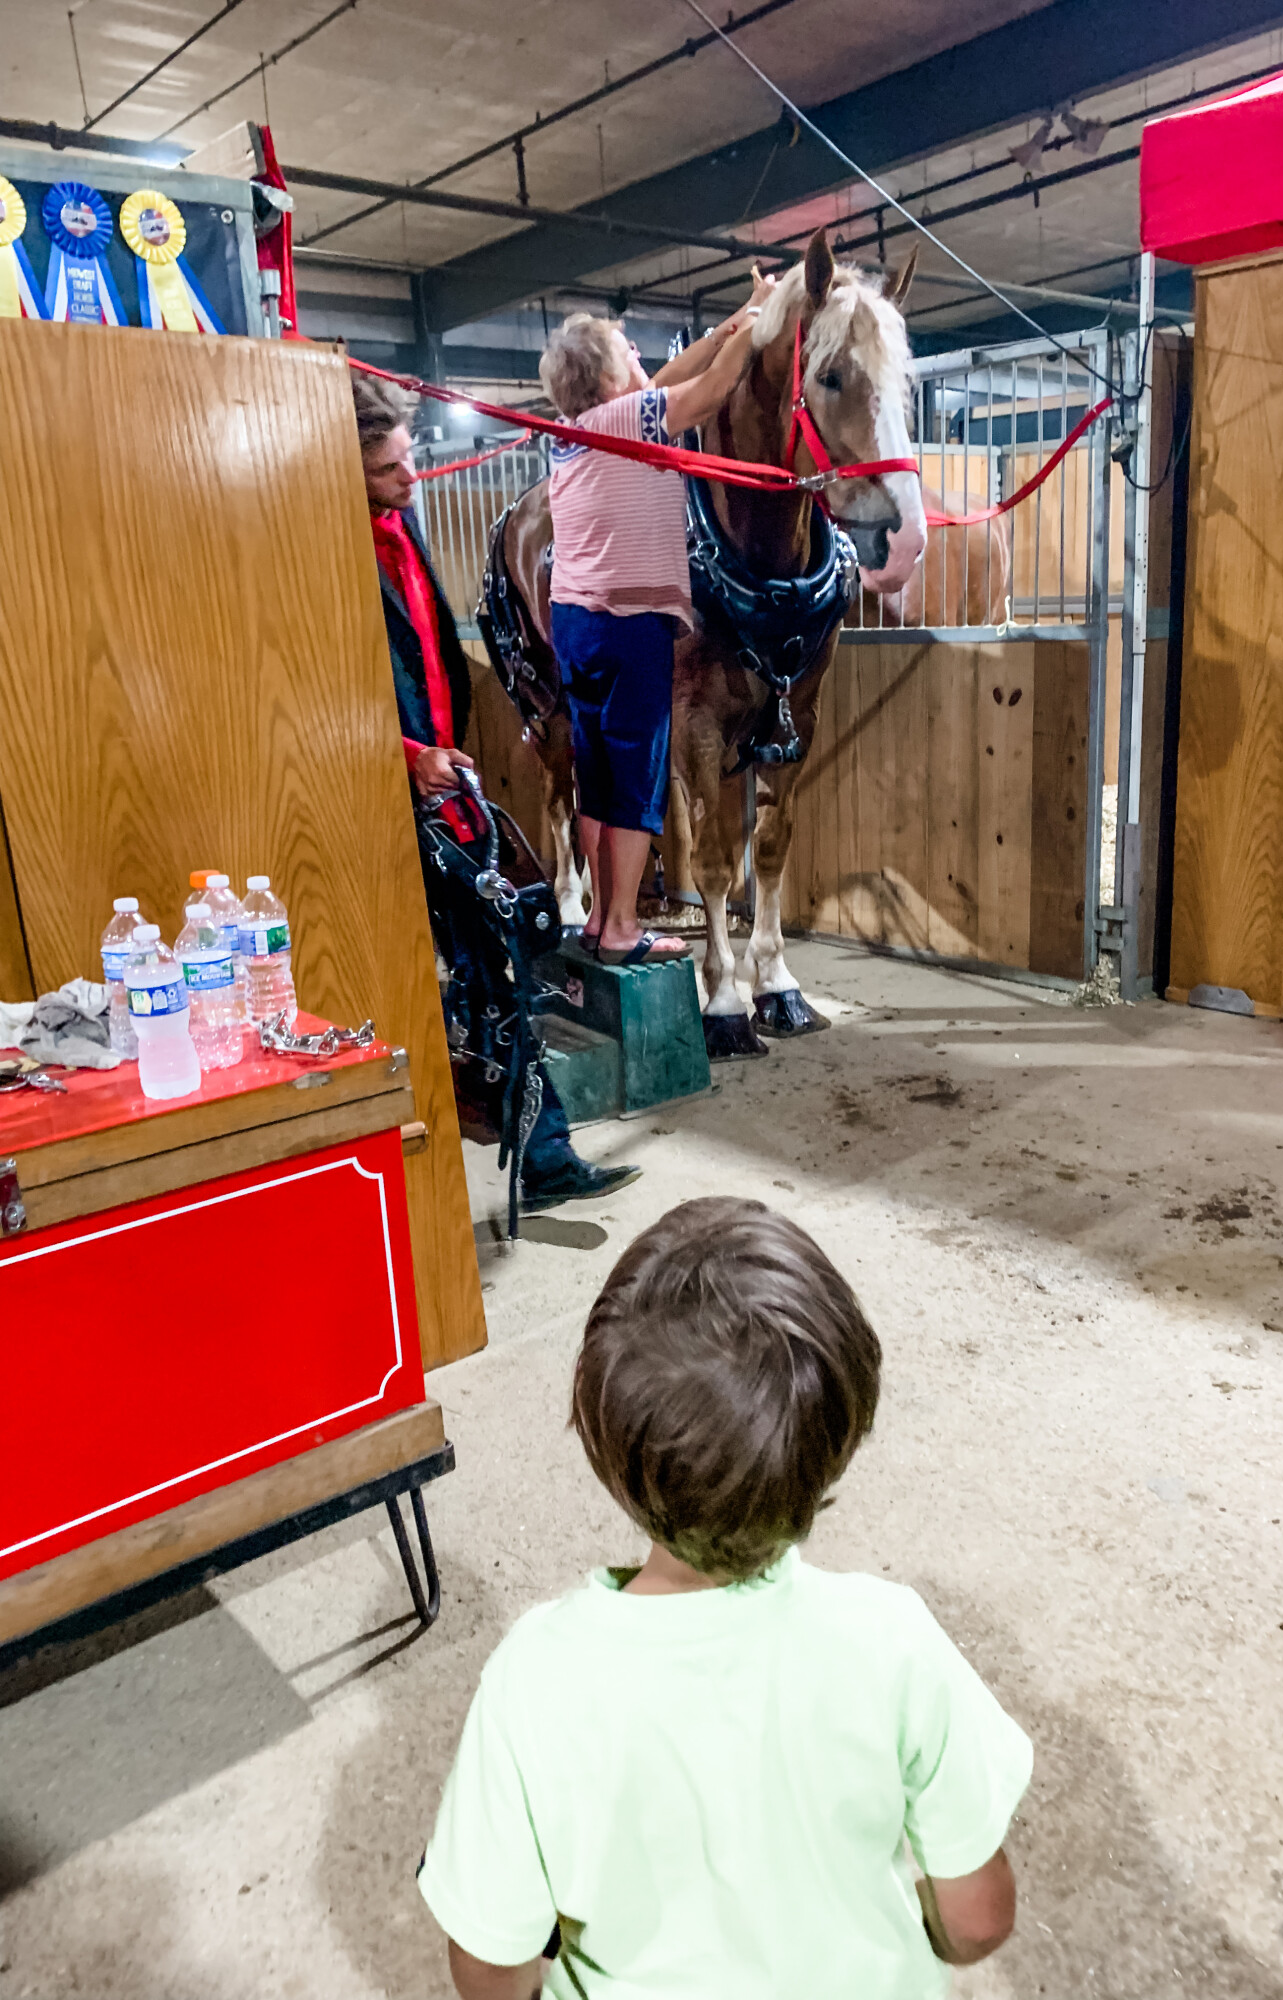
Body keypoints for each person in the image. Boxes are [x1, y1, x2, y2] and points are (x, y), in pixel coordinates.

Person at [417, 1197, 1033, 1999]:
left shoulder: (530, 1681)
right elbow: (978, 1918)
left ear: (608, 1442)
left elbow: (490, 1966)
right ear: (837, 1441)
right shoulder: (893, 1641)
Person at [352, 371, 638, 1213]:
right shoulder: (329, 556)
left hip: (445, 783)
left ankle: (543, 1153)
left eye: (409, 461)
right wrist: (405, 756)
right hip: (388, 789)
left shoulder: (400, 532)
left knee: (502, 962)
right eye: (389, 470)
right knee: (439, 978)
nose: (412, 481)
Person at [539, 283, 772, 966]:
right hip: (628, 621)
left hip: (575, 621)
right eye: (627, 351)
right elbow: (710, 384)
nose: (642, 357)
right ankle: (619, 926)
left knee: (598, 775)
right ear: (612, 379)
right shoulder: (636, 418)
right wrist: (762, 320)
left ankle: (595, 919)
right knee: (637, 782)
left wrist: (736, 314)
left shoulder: (583, 430)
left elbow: (678, 369)